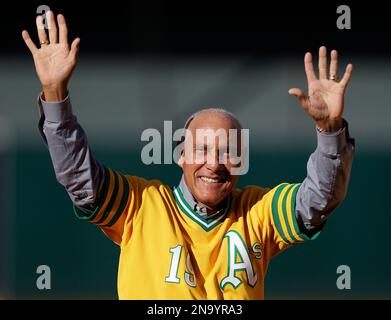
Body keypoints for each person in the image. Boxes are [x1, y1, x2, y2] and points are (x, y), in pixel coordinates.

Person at [22, 11, 355, 299]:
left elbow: (318, 202)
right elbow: (80, 181)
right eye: (203, 149)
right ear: (181, 154)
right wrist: (55, 94)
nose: (213, 162)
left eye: (228, 152)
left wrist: (330, 131)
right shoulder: (142, 204)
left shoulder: (257, 211)